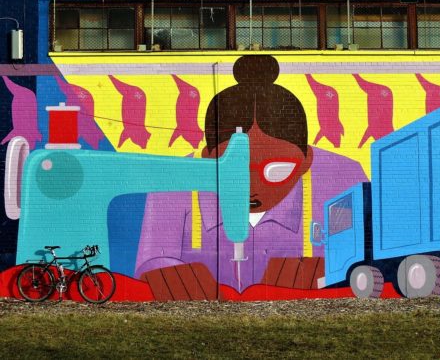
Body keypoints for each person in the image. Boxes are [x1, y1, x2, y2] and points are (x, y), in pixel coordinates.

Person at [135, 55, 366, 298]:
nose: (251, 187)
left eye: (276, 171)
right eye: (234, 171)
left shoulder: (344, 179)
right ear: (206, 159)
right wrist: (165, 271)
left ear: (306, 161)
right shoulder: (173, 182)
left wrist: (331, 270)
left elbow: (366, 257)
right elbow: (152, 261)